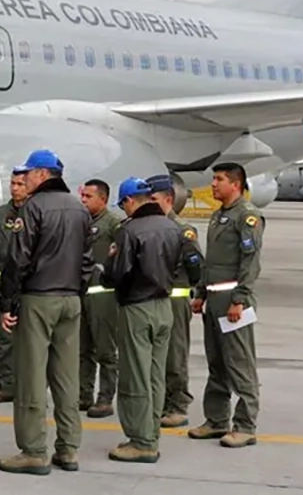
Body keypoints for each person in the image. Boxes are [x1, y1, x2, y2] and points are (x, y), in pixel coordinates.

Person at [0, 149, 93, 476]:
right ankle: (68, 447)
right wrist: (76, 293)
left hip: (39, 298)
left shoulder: (33, 207)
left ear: (41, 174)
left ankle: (34, 450)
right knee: (66, 377)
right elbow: (87, 261)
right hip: (70, 299)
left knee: (31, 375)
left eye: (28, 173)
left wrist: (7, 302)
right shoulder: (79, 209)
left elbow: (17, 259)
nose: (24, 179)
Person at [102, 177, 201, 463]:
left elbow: (116, 274)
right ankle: (151, 433)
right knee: (156, 375)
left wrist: (107, 266)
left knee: (135, 375)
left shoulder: (129, 230)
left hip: (137, 307)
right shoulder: (173, 227)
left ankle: (141, 441)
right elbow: (195, 264)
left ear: (130, 201)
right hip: (164, 306)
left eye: (123, 204)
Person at [188, 162, 264, 449]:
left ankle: (245, 426)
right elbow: (211, 262)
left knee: (240, 364)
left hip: (234, 302)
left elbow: (250, 262)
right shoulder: (219, 216)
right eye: (214, 179)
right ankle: (217, 420)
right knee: (217, 363)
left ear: (235, 184)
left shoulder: (247, 217)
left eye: (219, 179)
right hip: (215, 299)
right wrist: (201, 293)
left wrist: (239, 299)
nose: (213, 184)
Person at [146, 173, 205, 429]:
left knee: (174, 355)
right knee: (154, 356)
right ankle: (159, 402)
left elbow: (196, 266)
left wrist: (193, 289)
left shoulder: (182, 230)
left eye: (153, 199)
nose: (149, 203)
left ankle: (178, 405)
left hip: (174, 300)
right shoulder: (149, 226)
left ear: (168, 199)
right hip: (152, 299)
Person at [0, 169, 28, 404]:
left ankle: (30, 387)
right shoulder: (2, 213)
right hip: (5, 283)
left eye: (20, 184)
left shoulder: (34, 211)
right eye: (13, 183)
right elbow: (0, 242)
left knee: (31, 339)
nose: (15, 188)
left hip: (28, 283)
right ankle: (6, 384)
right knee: (6, 338)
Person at [78, 178, 123, 418]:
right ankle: (83, 394)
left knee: (105, 350)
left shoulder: (113, 224)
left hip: (103, 296)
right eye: (82, 196)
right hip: (82, 293)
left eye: (88, 196)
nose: (83, 200)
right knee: (83, 349)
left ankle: (105, 397)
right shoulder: (82, 221)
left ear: (103, 199)